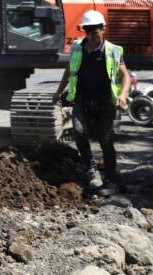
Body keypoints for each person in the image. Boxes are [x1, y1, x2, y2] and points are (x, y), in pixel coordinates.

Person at [53, 10, 131, 192]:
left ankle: (111, 176)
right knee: (79, 132)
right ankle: (91, 170)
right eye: (88, 32)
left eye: (95, 32)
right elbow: (69, 70)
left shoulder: (113, 50)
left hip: (105, 102)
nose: (91, 37)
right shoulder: (78, 47)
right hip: (82, 99)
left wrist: (123, 95)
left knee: (105, 138)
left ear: (103, 29)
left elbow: (125, 75)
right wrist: (59, 91)